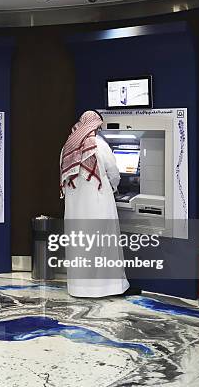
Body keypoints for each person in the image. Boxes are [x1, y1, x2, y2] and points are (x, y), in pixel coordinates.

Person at [60, 110, 130, 297]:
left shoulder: (68, 146)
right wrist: (115, 188)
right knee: (103, 243)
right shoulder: (99, 145)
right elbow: (114, 172)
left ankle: (79, 289)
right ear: (96, 125)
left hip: (75, 205)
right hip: (99, 202)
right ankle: (109, 288)